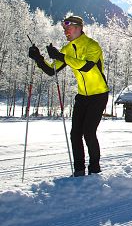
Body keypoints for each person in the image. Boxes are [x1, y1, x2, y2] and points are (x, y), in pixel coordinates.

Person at [28, 15, 109, 177]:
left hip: (99, 95)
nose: (65, 31)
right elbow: (52, 71)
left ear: (79, 27)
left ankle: (95, 169)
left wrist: (61, 56)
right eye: (64, 29)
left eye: (68, 28)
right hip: (82, 96)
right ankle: (79, 170)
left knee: (89, 132)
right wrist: (38, 58)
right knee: (75, 134)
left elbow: (86, 66)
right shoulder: (67, 49)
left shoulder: (92, 45)